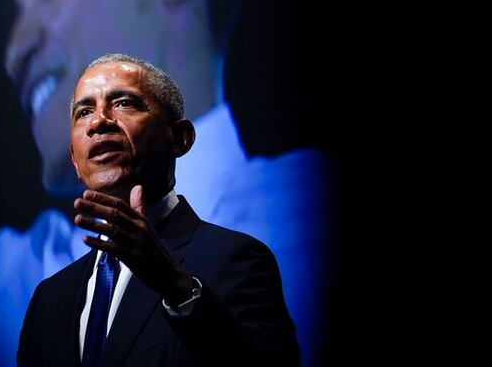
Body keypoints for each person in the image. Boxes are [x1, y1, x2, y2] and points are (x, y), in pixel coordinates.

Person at [0, 0, 331, 366]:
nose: (14, 50)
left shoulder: (286, 230)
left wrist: (176, 286)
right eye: (82, 112)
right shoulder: (37, 294)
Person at [17, 53, 300, 366]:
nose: (98, 122)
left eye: (123, 103)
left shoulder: (236, 259)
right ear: (74, 158)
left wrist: (175, 286)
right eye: (84, 111)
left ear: (180, 138)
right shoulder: (48, 300)